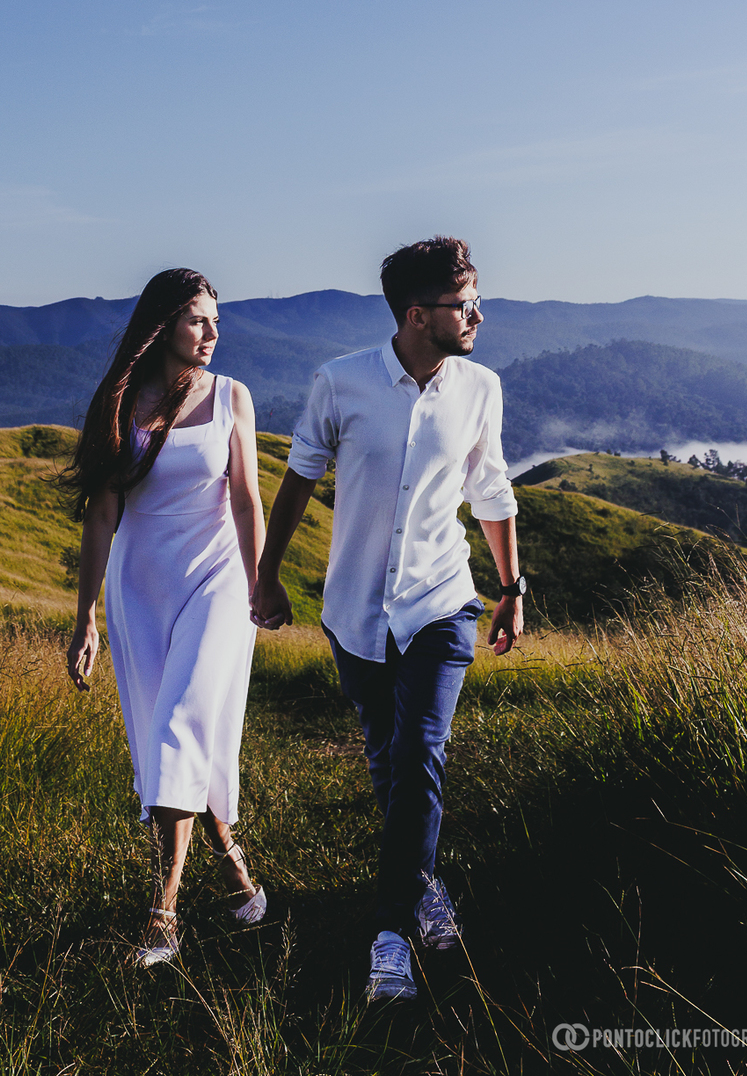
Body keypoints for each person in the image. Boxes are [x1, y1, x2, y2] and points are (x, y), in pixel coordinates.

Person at [251, 238, 523, 1003]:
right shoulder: (338, 384)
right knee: (386, 757)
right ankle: (424, 884)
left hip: (441, 602)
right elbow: (299, 479)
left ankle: (390, 934)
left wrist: (512, 587)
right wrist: (268, 578)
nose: (478, 316)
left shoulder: (480, 388)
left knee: (420, 752)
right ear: (415, 314)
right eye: (464, 305)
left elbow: (492, 491)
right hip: (355, 612)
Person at [65, 268, 268, 968]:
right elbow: (101, 514)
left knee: (182, 720)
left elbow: (246, 499)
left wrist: (262, 580)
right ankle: (234, 861)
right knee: (167, 742)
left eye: (216, 320)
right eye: (197, 321)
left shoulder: (232, 397)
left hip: (218, 579)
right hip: (139, 586)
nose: (213, 333)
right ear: (162, 326)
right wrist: (84, 615)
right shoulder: (119, 401)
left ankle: (164, 911)